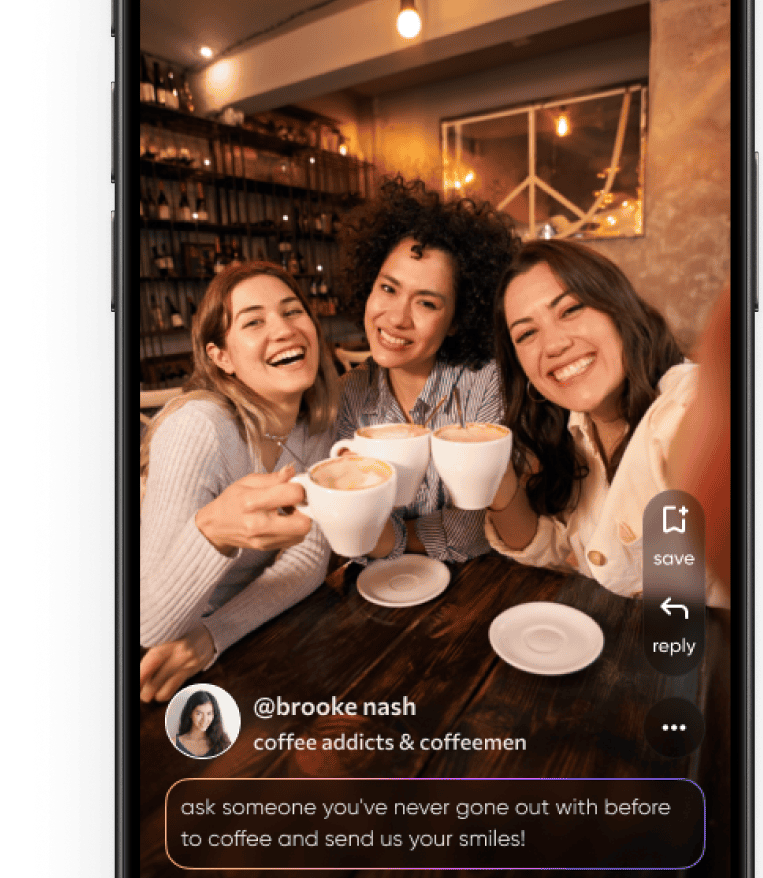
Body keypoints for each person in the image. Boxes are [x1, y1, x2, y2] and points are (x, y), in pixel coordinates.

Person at [484, 239, 728, 604]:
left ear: (618, 310)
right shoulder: (575, 431)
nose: (553, 345)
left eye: (570, 310)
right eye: (527, 333)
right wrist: (496, 482)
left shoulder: (682, 410)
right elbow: (563, 548)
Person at [140, 260, 340, 703]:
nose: (284, 329)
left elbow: (309, 554)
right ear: (221, 357)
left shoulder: (318, 427)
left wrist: (214, 635)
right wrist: (211, 531)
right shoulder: (199, 429)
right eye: (254, 321)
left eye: (292, 311)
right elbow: (149, 624)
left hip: (247, 637)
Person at [335, 176, 518, 562]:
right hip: (372, 586)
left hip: (472, 586)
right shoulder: (350, 391)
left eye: (427, 303)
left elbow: (474, 529)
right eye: (388, 289)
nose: (397, 318)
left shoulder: (484, 383)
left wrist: (386, 537)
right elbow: (346, 514)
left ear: (456, 319)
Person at [173, 687, 231, 759]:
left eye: (209, 713)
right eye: (199, 713)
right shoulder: (174, 742)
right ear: (190, 714)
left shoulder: (223, 742)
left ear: (214, 715)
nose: (205, 719)